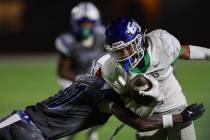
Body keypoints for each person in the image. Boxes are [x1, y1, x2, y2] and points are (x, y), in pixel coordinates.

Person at [90, 17, 210, 140]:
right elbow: (125, 98)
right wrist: (141, 98)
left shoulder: (160, 42)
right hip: (149, 119)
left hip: (176, 108)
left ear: (139, 39)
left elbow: (185, 52)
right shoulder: (111, 69)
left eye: (129, 47)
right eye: (119, 51)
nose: (125, 54)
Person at [0, 76, 205, 140]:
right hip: (29, 133)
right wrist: (181, 117)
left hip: (16, 119)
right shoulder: (104, 98)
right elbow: (140, 124)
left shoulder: (90, 82)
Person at [55, 2, 105, 89]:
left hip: (99, 80)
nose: (85, 27)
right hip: (76, 82)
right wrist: (82, 79)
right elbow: (63, 72)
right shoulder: (68, 40)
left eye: (88, 23)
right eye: (82, 23)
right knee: (66, 85)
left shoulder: (102, 36)